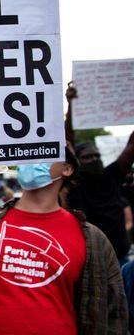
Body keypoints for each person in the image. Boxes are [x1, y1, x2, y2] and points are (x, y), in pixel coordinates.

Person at [0, 149, 128, 333]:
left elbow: (112, 316)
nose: (32, 156)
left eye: (43, 149)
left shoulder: (93, 240)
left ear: (67, 168)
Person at [66, 82, 134, 260]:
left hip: (120, 256)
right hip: (90, 259)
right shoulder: (74, 181)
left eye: (96, 156)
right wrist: (71, 104)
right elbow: (67, 141)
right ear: (75, 161)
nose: (94, 160)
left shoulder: (111, 176)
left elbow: (131, 146)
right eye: (88, 157)